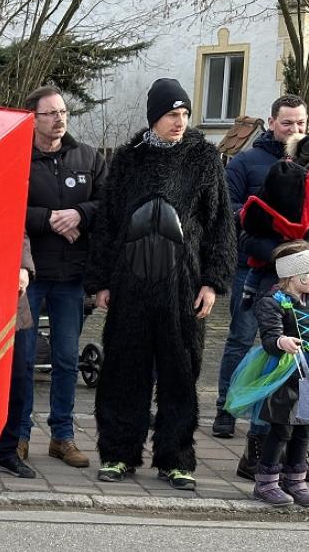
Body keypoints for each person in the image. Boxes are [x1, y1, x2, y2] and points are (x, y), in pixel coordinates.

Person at [86, 78, 236, 490]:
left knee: (180, 373)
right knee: (123, 370)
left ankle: (176, 458)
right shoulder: (128, 159)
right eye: (173, 114)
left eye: (185, 114)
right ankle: (118, 454)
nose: (180, 122)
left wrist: (213, 282)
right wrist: (101, 281)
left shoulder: (204, 158)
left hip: (183, 288)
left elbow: (221, 225)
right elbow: (107, 224)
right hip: (130, 285)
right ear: (154, 116)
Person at [18, 86, 104, 468]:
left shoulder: (87, 157)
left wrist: (80, 215)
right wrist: (49, 219)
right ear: (32, 119)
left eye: (63, 111)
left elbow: (109, 203)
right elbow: (3, 205)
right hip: (30, 276)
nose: (59, 118)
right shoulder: (17, 158)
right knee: (21, 358)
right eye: (50, 113)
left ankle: (62, 436)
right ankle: (16, 435)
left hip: (72, 276)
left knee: (67, 359)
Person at [213, 94, 307, 444]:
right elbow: (230, 212)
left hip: (301, 278)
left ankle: (289, 422)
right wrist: (277, 251)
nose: (294, 129)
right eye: (287, 123)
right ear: (271, 123)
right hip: (254, 268)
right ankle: (226, 408)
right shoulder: (247, 162)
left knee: (297, 347)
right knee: (240, 339)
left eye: (301, 123)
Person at [237, 241, 309, 505]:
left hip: (308, 376)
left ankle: (296, 479)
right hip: (285, 374)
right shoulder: (272, 302)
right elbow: (269, 336)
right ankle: (266, 482)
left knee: (304, 429)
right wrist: (281, 342)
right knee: (282, 428)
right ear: (292, 275)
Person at [0, 233, 38, 479]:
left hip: (12, 302)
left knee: (18, 380)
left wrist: (25, 268)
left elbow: (19, 231)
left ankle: (5, 452)